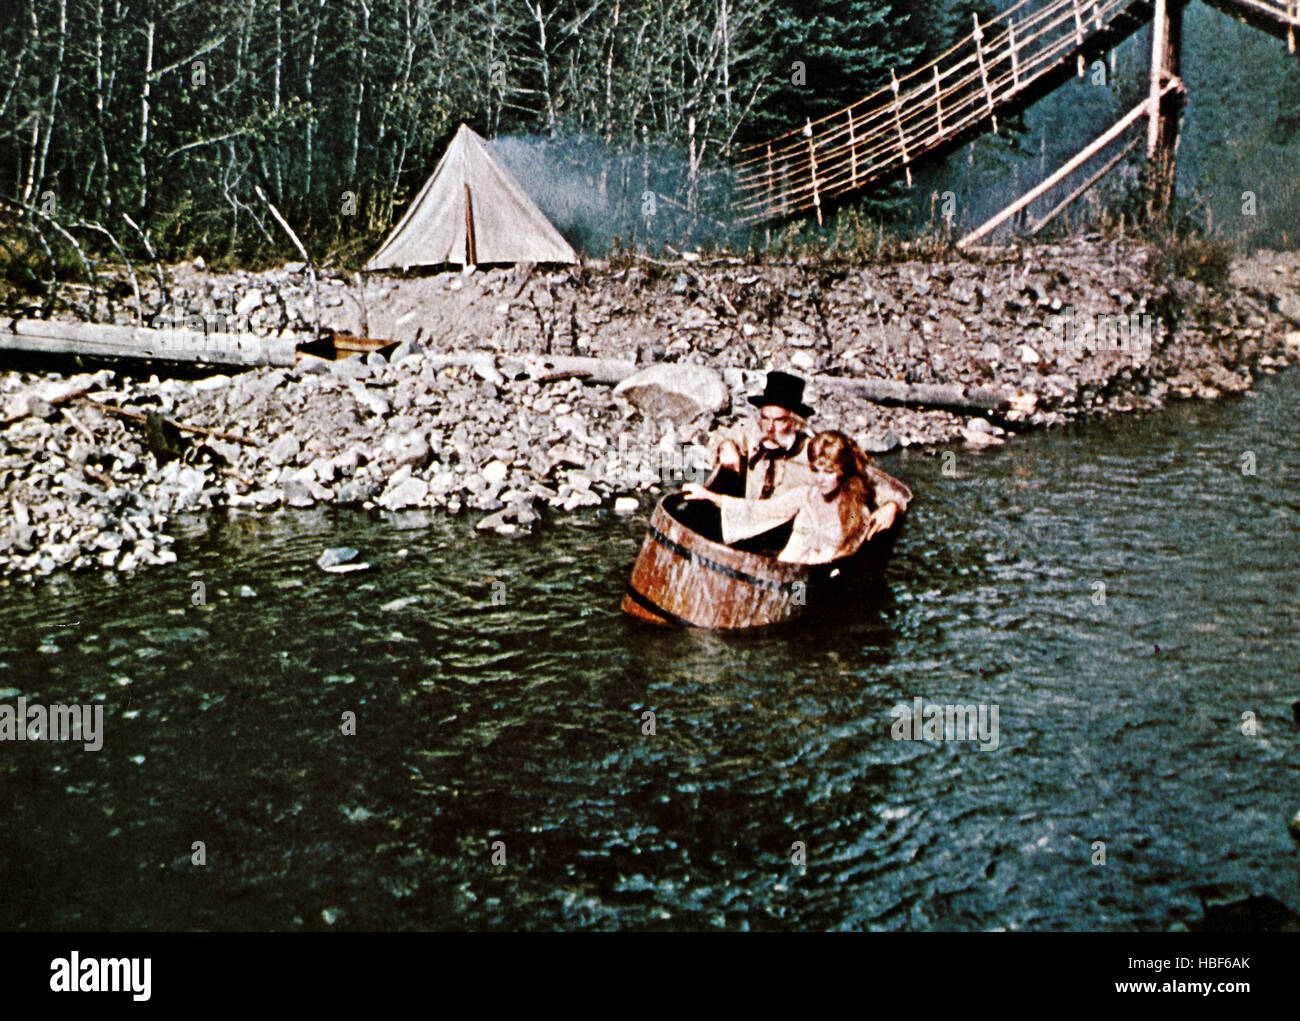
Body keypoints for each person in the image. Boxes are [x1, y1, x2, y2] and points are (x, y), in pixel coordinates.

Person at [684, 431, 907, 564]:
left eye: (828, 472)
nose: (820, 479)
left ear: (843, 472)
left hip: (819, 585)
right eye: (816, 470)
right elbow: (757, 511)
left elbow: (851, 557)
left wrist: (892, 506)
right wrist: (709, 496)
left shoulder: (857, 511)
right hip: (786, 573)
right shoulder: (804, 496)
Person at [708, 371, 817, 501]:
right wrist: (726, 446)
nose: (770, 428)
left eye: (779, 420)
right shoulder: (754, 430)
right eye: (766, 418)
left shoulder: (811, 452)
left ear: (795, 423)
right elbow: (719, 438)